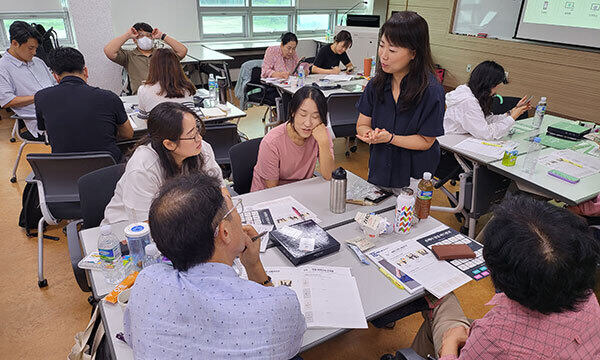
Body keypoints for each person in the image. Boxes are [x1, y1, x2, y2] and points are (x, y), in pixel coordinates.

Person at [124, 173, 306, 359]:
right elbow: (292, 342)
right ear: (225, 232)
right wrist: (256, 268)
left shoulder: (147, 282)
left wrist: (251, 264)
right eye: (234, 209)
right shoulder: (279, 306)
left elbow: (132, 337)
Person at [410, 195, 600, 359]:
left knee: (443, 302)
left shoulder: (495, 337)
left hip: (487, 346)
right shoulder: (587, 298)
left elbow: (483, 342)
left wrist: (451, 343)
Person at [356, 12, 445, 191]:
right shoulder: (376, 84)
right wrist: (370, 134)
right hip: (380, 167)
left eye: (393, 50)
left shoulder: (431, 91)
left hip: (414, 174)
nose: (384, 55)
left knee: (408, 217)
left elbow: (426, 141)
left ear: (414, 53)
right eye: (382, 46)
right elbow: (362, 124)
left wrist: (390, 138)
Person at [102, 102, 227, 225]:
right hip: (125, 227)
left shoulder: (200, 149)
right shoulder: (143, 169)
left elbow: (221, 191)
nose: (199, 138)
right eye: (192, 135)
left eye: (197, 129)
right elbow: (144, 224)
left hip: (180, 219)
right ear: (169, 144)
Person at [34, 47, 133, 162]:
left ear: (56, 76)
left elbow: (46, 129)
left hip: (64, 171)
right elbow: (128, 134)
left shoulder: (41, 97)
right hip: (108, 169)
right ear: (85, 71)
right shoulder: (109, 97)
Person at [251, 86, 335, 192]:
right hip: (268, 196)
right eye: (303, 115)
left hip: (300, 192)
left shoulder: (320, 133)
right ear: (292, 112)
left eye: (315, 117)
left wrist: (324, 143)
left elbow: (329, 176)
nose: (308, 123)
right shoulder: (272, 142)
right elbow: (271, 189)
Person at [444, 61, 531, 140]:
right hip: (451, 143)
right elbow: (487, 134)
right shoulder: (468, 101)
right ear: (489, 85)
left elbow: (486, 119)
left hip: (461, 137)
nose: (496, 92)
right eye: (496, 87)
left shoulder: (469, 90)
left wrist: (512, 112)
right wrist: (512, 117)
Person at [0, 21, 55, 139]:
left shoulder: (38, 62)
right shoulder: (3, 68)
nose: (34, 52)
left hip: (59, 109)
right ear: (15, 43)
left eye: (36, 48)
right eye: (31, 48)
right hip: (43, 121)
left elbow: (54, 84)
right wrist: (39, 97)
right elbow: (7, 101)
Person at [103, 22, 188, 95]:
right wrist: (127, 35)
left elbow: (182, 51)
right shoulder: (129, 56)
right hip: (140, 97)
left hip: (165, 95)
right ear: (135, 40)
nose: (145, 38)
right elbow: (109, 51)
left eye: (149, 36)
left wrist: (162, 36)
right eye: (141, 36)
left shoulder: (162, 54)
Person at [137, 48, 196, 114]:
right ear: (177, 66)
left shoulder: (144, 89)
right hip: (187, 123)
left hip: (158, 123)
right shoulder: (186, 87)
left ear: (152, 67)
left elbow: (145, 120)